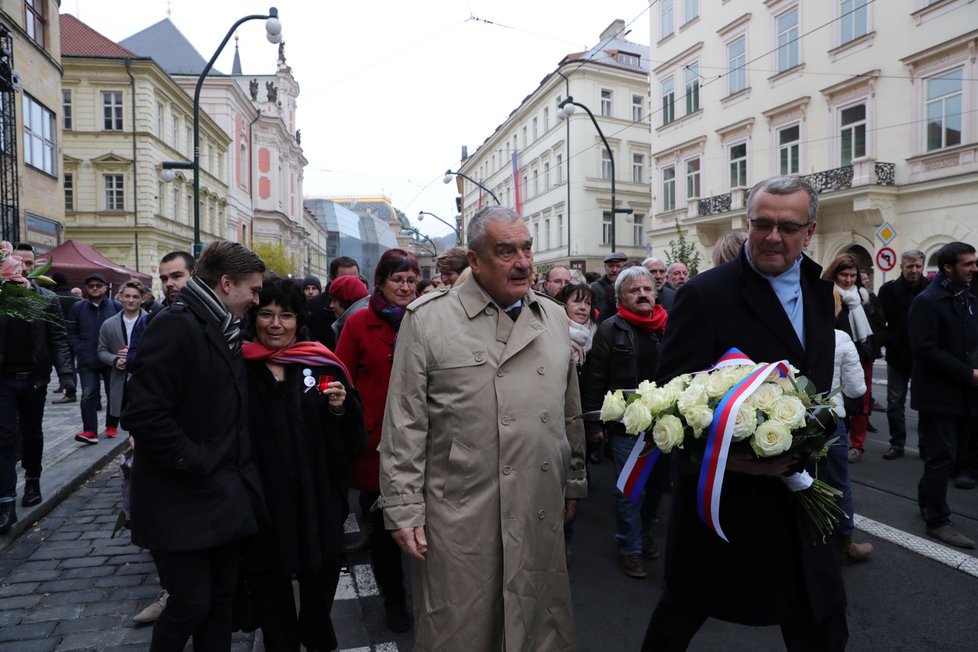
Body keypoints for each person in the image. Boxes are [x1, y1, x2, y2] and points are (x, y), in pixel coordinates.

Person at [641, 176, 847, 651]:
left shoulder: (820, 290)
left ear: (810, 231)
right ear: (748, 224)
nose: (774, 236)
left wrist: (816, 432)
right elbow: (670, 402)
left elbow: (816, 379)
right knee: (683, 609)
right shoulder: (707, 295)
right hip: (725, 499)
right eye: (762, 224)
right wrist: (732, 461)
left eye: (788, 226)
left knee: (821, 615)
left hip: (800, 492)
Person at [376, 206, 587, 650]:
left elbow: (569, 410)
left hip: (537, 503)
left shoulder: (552, 317)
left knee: (538, 621)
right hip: (460, 510)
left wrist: (574, 480)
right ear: (474, 260)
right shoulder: (429, 320)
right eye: (506, 251)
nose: (524, 262)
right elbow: (405, 422)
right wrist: (402, 506)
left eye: (526, 248)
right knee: (462, 627)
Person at [122, 240, 266, 651]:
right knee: (190, 602)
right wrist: (196, 460)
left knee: (220, 599)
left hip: (219, 494)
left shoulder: (223, 324)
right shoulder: (177, 324)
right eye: (252, 290)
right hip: (180, 496)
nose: (256, 300)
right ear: (225, 283)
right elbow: (144, 412)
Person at [239, 276, 367, 651]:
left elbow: (351, 445)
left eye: (287, 315)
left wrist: (341, 410)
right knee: (276, 622)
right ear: (254, 317)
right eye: (267, 314)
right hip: (264, 514)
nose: (276, 324)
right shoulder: (238, 367)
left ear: (299, 320)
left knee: (317, 615)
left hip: (319, 511)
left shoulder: (322, 364)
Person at [334, 248, 419, 633]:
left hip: (423, 438)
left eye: (411, 280)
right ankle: (395, 601)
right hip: (376, 442)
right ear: (380, 283)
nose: (405, 287)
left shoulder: (425, 319)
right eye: (397, 280)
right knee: (386, 530)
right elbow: (340, 376)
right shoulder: (358, 323)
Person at [582, 266, 669, 579]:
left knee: (658, 486)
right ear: (620, 297)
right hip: (626, 425)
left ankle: (644, 533)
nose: (643, 294)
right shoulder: (610, 329)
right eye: (635, 290)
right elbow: (594, 379)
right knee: (630, 490)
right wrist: (593, 425)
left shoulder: (667, 325)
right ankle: (629, 548)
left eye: (647, 288)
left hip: (666, 422)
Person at [908, 241, 978, 549]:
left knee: (951, 455)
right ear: (948, 268)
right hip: (939, 394)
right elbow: (925, 349)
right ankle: (937, 520)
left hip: (964, 392)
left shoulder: (966, 296)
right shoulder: (927, 301)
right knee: (943, 457)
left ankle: (927, 500)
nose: (975, 268)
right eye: (968, 264)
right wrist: (969, 373)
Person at [0, 244, 74, 533]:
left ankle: (32, 479)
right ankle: (6, 500)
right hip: (3, 380)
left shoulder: (46, 298)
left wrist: (67, 376)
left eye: (30, 263)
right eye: (20, 262)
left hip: (34, 379)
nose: (26, 267)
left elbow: (58, 338)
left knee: (32, 433)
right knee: (4, 438)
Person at [554, 281, 598, 563]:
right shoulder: (555, 334)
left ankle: (565, 539)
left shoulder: (594, 335)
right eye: (577, 301)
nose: (583, 307)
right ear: (564, 305)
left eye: (587, 303)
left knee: (574, 479)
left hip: (580, 417)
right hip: (557, 415)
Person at [822, 254, 875, 463]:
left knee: (861, 401)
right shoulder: (827, 294)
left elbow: (877, 324)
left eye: (853, 275)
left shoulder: (864, 295)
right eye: (844, 274)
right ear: (835, 273)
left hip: (863, 355)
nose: (849, 280)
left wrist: (871, 348)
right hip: (837, 354)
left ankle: (857, 444)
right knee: (838, 400)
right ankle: (838, 440)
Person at [828, 327, 874, 562]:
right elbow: (856, 389)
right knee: (838, 482)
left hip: (791, 415)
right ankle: (845, 543)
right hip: (829, 417)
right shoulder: (840, 337)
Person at [878, 250, 929, 460]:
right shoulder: (888, 291)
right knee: (894, 402)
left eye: (918, 266)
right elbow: (880, 323)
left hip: (925, 358)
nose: (914, 270)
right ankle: (896, 443)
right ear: (902, 267)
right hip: (897, 355)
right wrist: (889, 340)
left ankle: (925, 445)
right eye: (910, 266)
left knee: (926, 404)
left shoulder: (931, 289)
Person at [67, 273, 122, 445]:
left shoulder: (116, 306)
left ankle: (111, 425)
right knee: (88, 395)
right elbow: (71, 332)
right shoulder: (78, 307)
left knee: (113, 394)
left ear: (106, 287)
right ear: (86, 289)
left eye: (98, 285)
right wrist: (79, 348)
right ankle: (90, 430)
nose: (95, 288)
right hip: (87, 360)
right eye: (91, 286)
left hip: (110, 359)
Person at [126, 252, 195, 370]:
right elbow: (132, 362)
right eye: (164, 279)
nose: (168, 284)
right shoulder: (149, 321)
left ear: (194, 276)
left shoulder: (211, 315)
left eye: (176, 276)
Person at [96, 280, 146, 429]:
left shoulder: (152, 321)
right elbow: (101, 351)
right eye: (127, 296)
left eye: (135, 297)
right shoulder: (109, 324)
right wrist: (115, 360)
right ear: (121, 297)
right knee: (124, 418)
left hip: (143, 377)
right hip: (119, 377)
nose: (131, 300)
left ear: (142, 299)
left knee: (143, 417)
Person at [307, 257, 360, 350]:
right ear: (332, 279)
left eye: (355, 279)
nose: (352, 285)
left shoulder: (366, 307)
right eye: (345, 280)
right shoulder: (312, 307)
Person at [328, 274, 370, 344]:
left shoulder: (357, 329)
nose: (331, 305)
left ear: (345, 301)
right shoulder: (361, 324)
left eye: (334, 300)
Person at [591, 251, 626, 322]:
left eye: (618, 266)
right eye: (611, 266)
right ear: (605, 267)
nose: (614, 270)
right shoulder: (594, 288)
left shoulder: (628, 288)